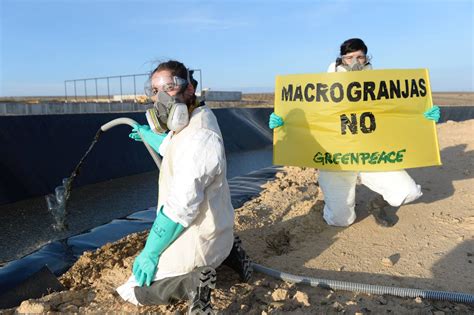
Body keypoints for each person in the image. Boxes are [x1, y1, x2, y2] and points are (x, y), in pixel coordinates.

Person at [117, 60, 251, 314]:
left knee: (133, 289)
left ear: (189, 88)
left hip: (199, 240)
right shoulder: (198, 116)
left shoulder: (199, 137)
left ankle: (191, 283)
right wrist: (150, 135)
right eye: (155, 91)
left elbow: (180, 209)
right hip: (215, 230)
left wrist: (150, 252)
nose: (160, 98)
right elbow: (175, 148)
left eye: (169, 87)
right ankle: (228, 253)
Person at [269, 38, 440, 227]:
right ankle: (331, 205)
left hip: (372, 155)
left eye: (360, 57)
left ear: (366, 58)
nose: (355, 62)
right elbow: (308, 117)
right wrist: (284, 121)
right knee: (341, 220)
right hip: (337, 161)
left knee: (409, 191)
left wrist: (423, 116)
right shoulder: (322, 87)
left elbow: (396, 113)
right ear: (341, 59)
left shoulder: (379, 86)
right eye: (349, 57)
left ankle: (376, 204)